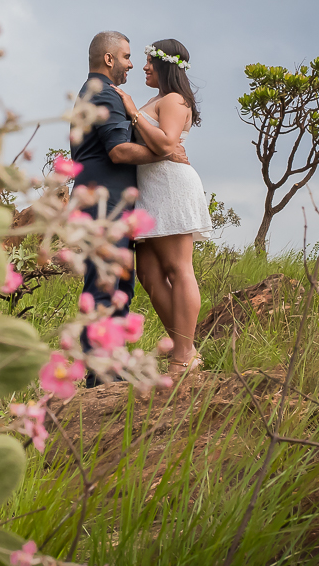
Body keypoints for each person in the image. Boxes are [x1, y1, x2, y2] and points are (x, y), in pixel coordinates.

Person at [71, 31, 187, 386]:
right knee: (106, 285)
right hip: (104, 203)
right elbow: (118, 151)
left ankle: (110, 370)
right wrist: (165, 151)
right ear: (108, 59)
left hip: (106, 202)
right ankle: (101, 376)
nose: (132, 64)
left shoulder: (93, 92)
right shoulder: (104, 92)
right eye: (126, 57)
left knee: (117, 283)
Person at [113, 39, 212, 380]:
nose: (143, 67)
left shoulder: (172, 99)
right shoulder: (158, 99)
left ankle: (183, 356)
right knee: (149, 274)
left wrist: (132, 110)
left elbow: (167, 141)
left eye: (150, 62)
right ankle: (186, 349)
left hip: (170, 187)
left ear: (166, 66)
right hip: (151, 190)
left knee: (178, 268)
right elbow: (164, 145)